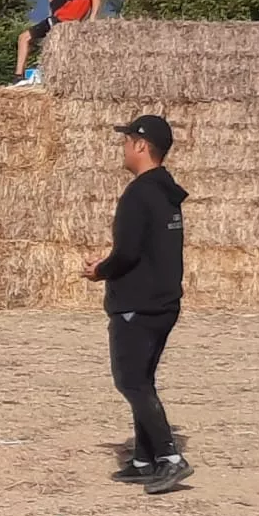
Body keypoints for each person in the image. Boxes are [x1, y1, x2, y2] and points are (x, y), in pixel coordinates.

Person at [83, 115, 193, 494]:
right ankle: (145, 459)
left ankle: (170, 457)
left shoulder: (139, 193)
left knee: (130, 381)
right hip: (164, 301)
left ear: (142, 146)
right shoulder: (166, 191)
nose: (124, 147)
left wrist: (101, 270)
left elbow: (127, 252)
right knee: (142, 380)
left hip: (137, 303)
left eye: (127, 140)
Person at [16, 0, 101, 84]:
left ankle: (18, 77)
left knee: (23, 38)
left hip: (63, 20)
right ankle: (52, 15)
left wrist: (92, 20)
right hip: (62, 14)